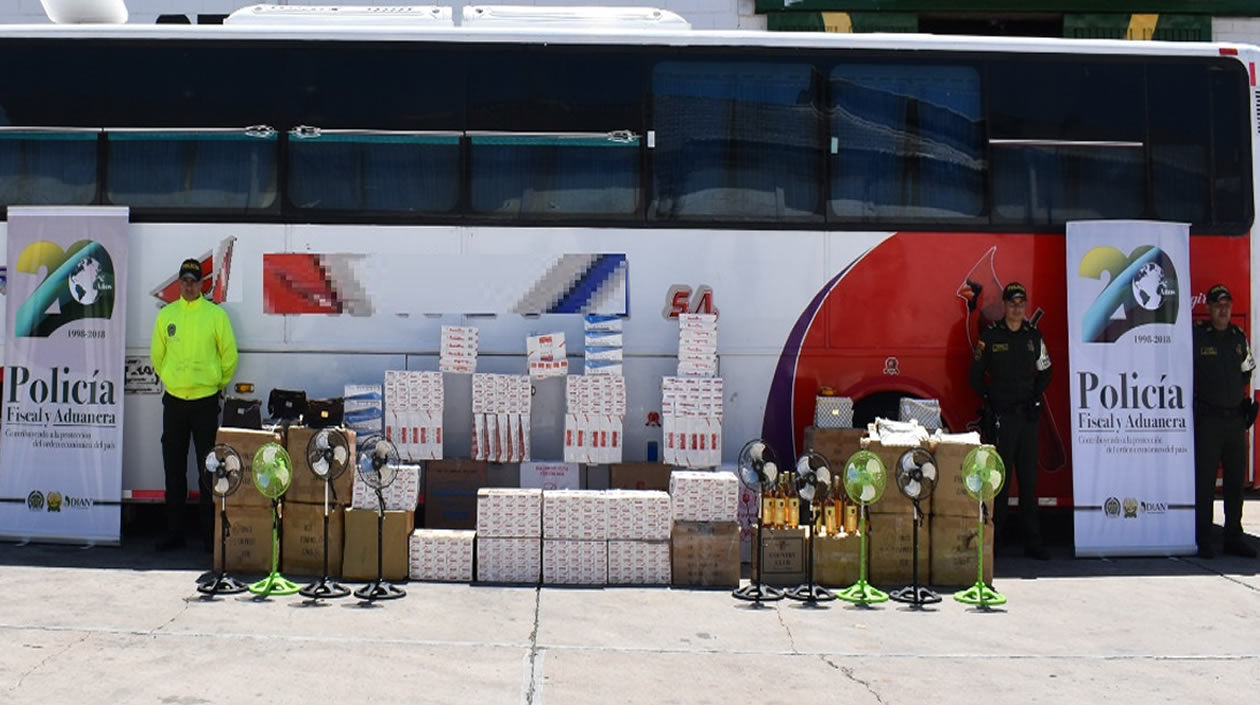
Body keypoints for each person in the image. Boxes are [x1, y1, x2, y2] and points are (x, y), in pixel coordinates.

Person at [150, 258, 238, 551]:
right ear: (179, 283)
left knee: (208, 470)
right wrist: (174, 380)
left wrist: (214, 384)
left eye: (194, 281)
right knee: (173, 470)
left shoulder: (215, 316)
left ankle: (207, 535)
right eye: (184, 280)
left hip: (204, 403)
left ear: (203, 284)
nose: (189, 286)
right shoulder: (166, 316)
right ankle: (174, 533)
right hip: (174, 402)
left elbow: (229, 358)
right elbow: (157, 357)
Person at [969, 282, 1052, 560]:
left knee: (1029, 482)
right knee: (999, 482)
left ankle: (1034, 542)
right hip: (1002, 418)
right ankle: (997, 540)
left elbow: (1046, 370)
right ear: (1004, 305)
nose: (1017, 307)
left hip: (1027, 418)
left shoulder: (1032, 335)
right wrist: (990, 400)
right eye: (1012, 302)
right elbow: (975, 375)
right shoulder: (991, 336)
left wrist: (1035, 397)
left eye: (1021, 303)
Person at [1192, 284, 1257, 559]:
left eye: (1227, 305)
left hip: (1234, 422)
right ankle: (1203, 538)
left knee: (1233, 483)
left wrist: (1245, 403)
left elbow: (1247, 371)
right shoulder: (1198, 337)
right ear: (1208, 308)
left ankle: (1233, 536)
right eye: (1218, 305)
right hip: (1208, 421)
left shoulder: (1238, 338)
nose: (1223, 310)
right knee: (1205, 483)